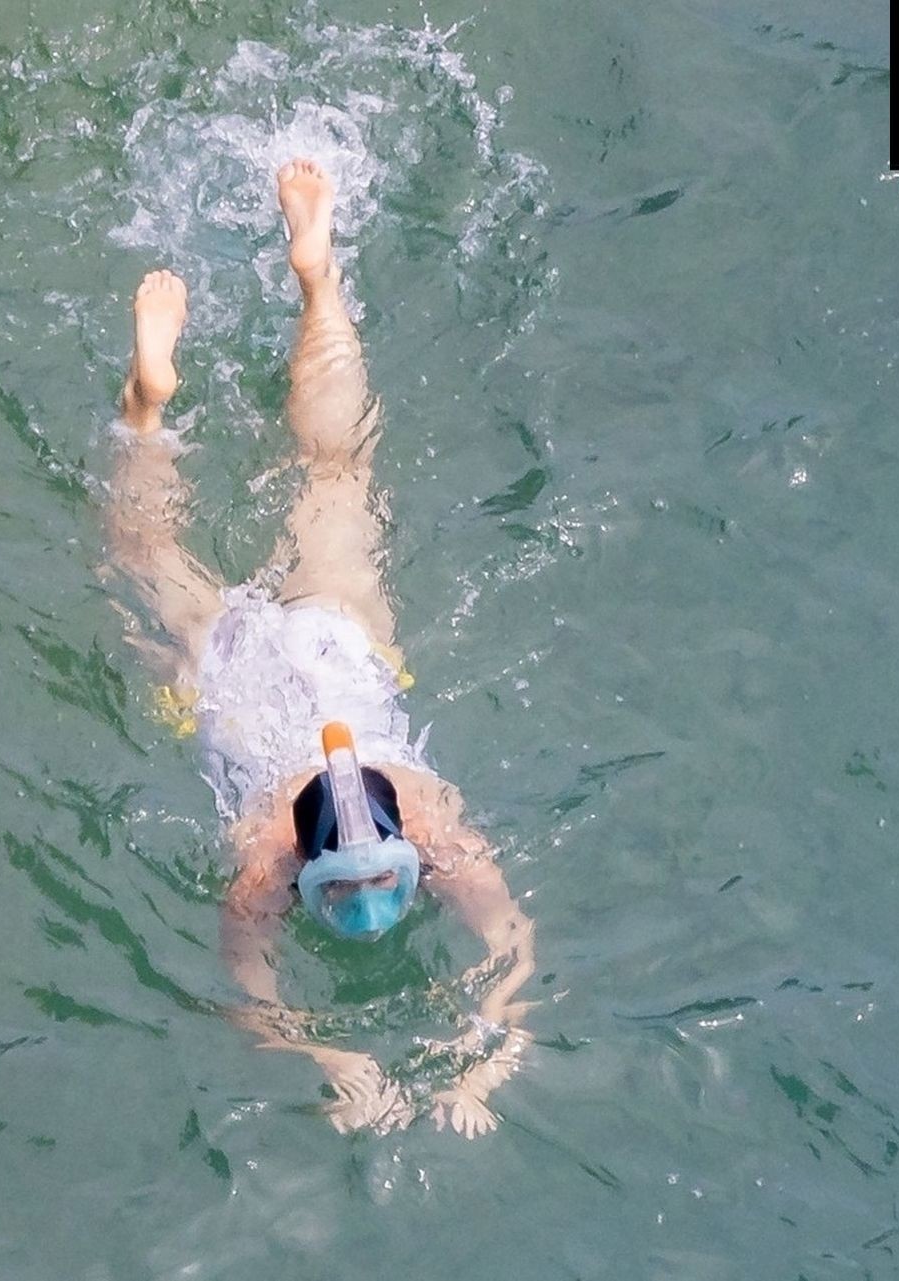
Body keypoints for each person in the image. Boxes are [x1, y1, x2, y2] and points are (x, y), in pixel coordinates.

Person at [104, 158, 536, 1137]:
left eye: (369, 882)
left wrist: (366, 1057)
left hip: (287, 663)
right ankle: (308, 284)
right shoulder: (421, 827)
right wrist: (480, 1051)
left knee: (259, 503)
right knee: (305, 484)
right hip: (279, 669)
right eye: (357, 887)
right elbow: (510, 944)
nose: (371, 908)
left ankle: (150, 403)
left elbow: (251, 983)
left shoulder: (273, 858)